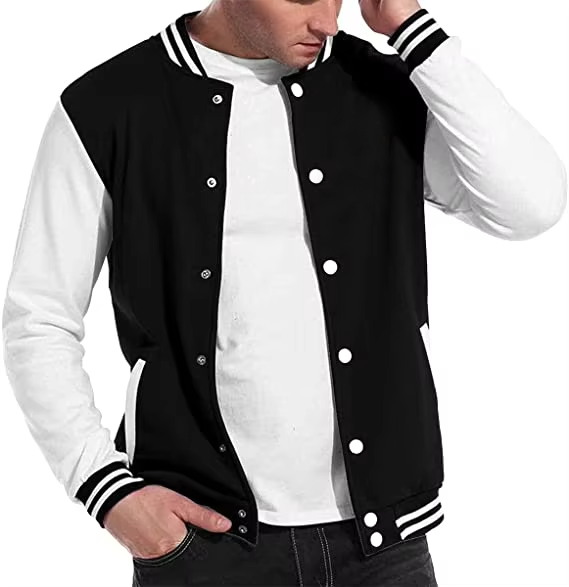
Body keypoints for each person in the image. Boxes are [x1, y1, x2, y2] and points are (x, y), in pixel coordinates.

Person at [3, 0, 566, 585]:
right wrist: (107, 490)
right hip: (202, 542)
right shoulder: (109, 105)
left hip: (383, 545)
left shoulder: (382, 90)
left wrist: (412, 28)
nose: (328, 21)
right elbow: (38, 318)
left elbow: (531, 205)